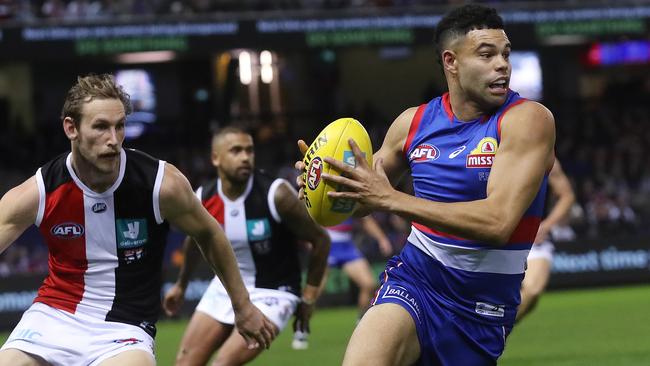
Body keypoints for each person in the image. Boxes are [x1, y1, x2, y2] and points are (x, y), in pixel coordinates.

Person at [295, 4, 555, 365]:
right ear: (451, 62)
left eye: (505, 53)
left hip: (480, 311)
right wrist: (323, 186)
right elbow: (365, 197)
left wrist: (392, 199)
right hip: (417, 280)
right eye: (486, 54)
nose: (502, 64)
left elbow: (498, 222)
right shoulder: (411, 124)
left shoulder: (528, 120)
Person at [0, 74, 275, 366]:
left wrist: (242, 306)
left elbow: (209, 234)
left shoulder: (159, 183)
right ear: (71, 128)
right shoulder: (41, 190)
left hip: (125, 327)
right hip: (54, 315)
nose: (113, 140)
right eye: (101, 127)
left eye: (120, 126)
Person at [163, 127, 330, 365]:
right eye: (236, 150)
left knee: (223, 364)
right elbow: (194, 240)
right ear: (215, 158)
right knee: (185, 363)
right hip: (225, 288)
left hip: (273, 292)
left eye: (249, 150)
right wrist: (181, 285)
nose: (245, 157)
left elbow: (321, 239)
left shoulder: (276, 194)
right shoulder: (203, 197)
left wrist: (309, 298)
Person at [292, 216, 392, 350]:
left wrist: (382, 239)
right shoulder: (322, 195)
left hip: (346, 246)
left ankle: (360, 324)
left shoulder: (352, 197)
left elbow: (365, 219)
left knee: (369, 284)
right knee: (313, 293)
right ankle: (301, 329)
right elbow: (308, 216)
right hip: (326, 243)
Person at [517, 158, 575, 321]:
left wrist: (546, 225)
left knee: (532, 291)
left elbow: (567, 196)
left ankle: (493, 336)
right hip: (501, 236)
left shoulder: (545, 155)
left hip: (536, 238)